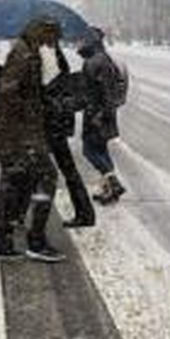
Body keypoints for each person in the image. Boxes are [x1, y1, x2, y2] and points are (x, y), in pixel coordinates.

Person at [0, 17, 65, 263]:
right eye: (52, 38)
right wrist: (32, 112)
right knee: (46, 177)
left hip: (16, 136)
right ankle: (36, 241)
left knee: (14, 185)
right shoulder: (24, 56)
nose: (52, 44)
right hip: (20, 137)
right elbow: (9, 94)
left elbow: (19, 93)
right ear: (43, 33)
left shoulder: (27, 52)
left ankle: (1, 240)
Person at [41, 32, 97, 229]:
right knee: (66, 169)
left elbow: (48, 88)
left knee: (39, 170)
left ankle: (24, 217)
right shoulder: (54, 53)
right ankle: (85, 212)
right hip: (57, 120)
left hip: (50, 120)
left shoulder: (46, 55)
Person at [77, 27, 126, 205]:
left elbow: (106, 92)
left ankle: (113, 182)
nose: (79, 44)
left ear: (91, 41)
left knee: (89, 151)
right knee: (100, 150)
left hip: (97, 115)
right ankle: (109, 189)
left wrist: (99, 115)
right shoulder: (101, 58)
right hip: (100, 113)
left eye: (82, 40)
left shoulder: (95, 61)